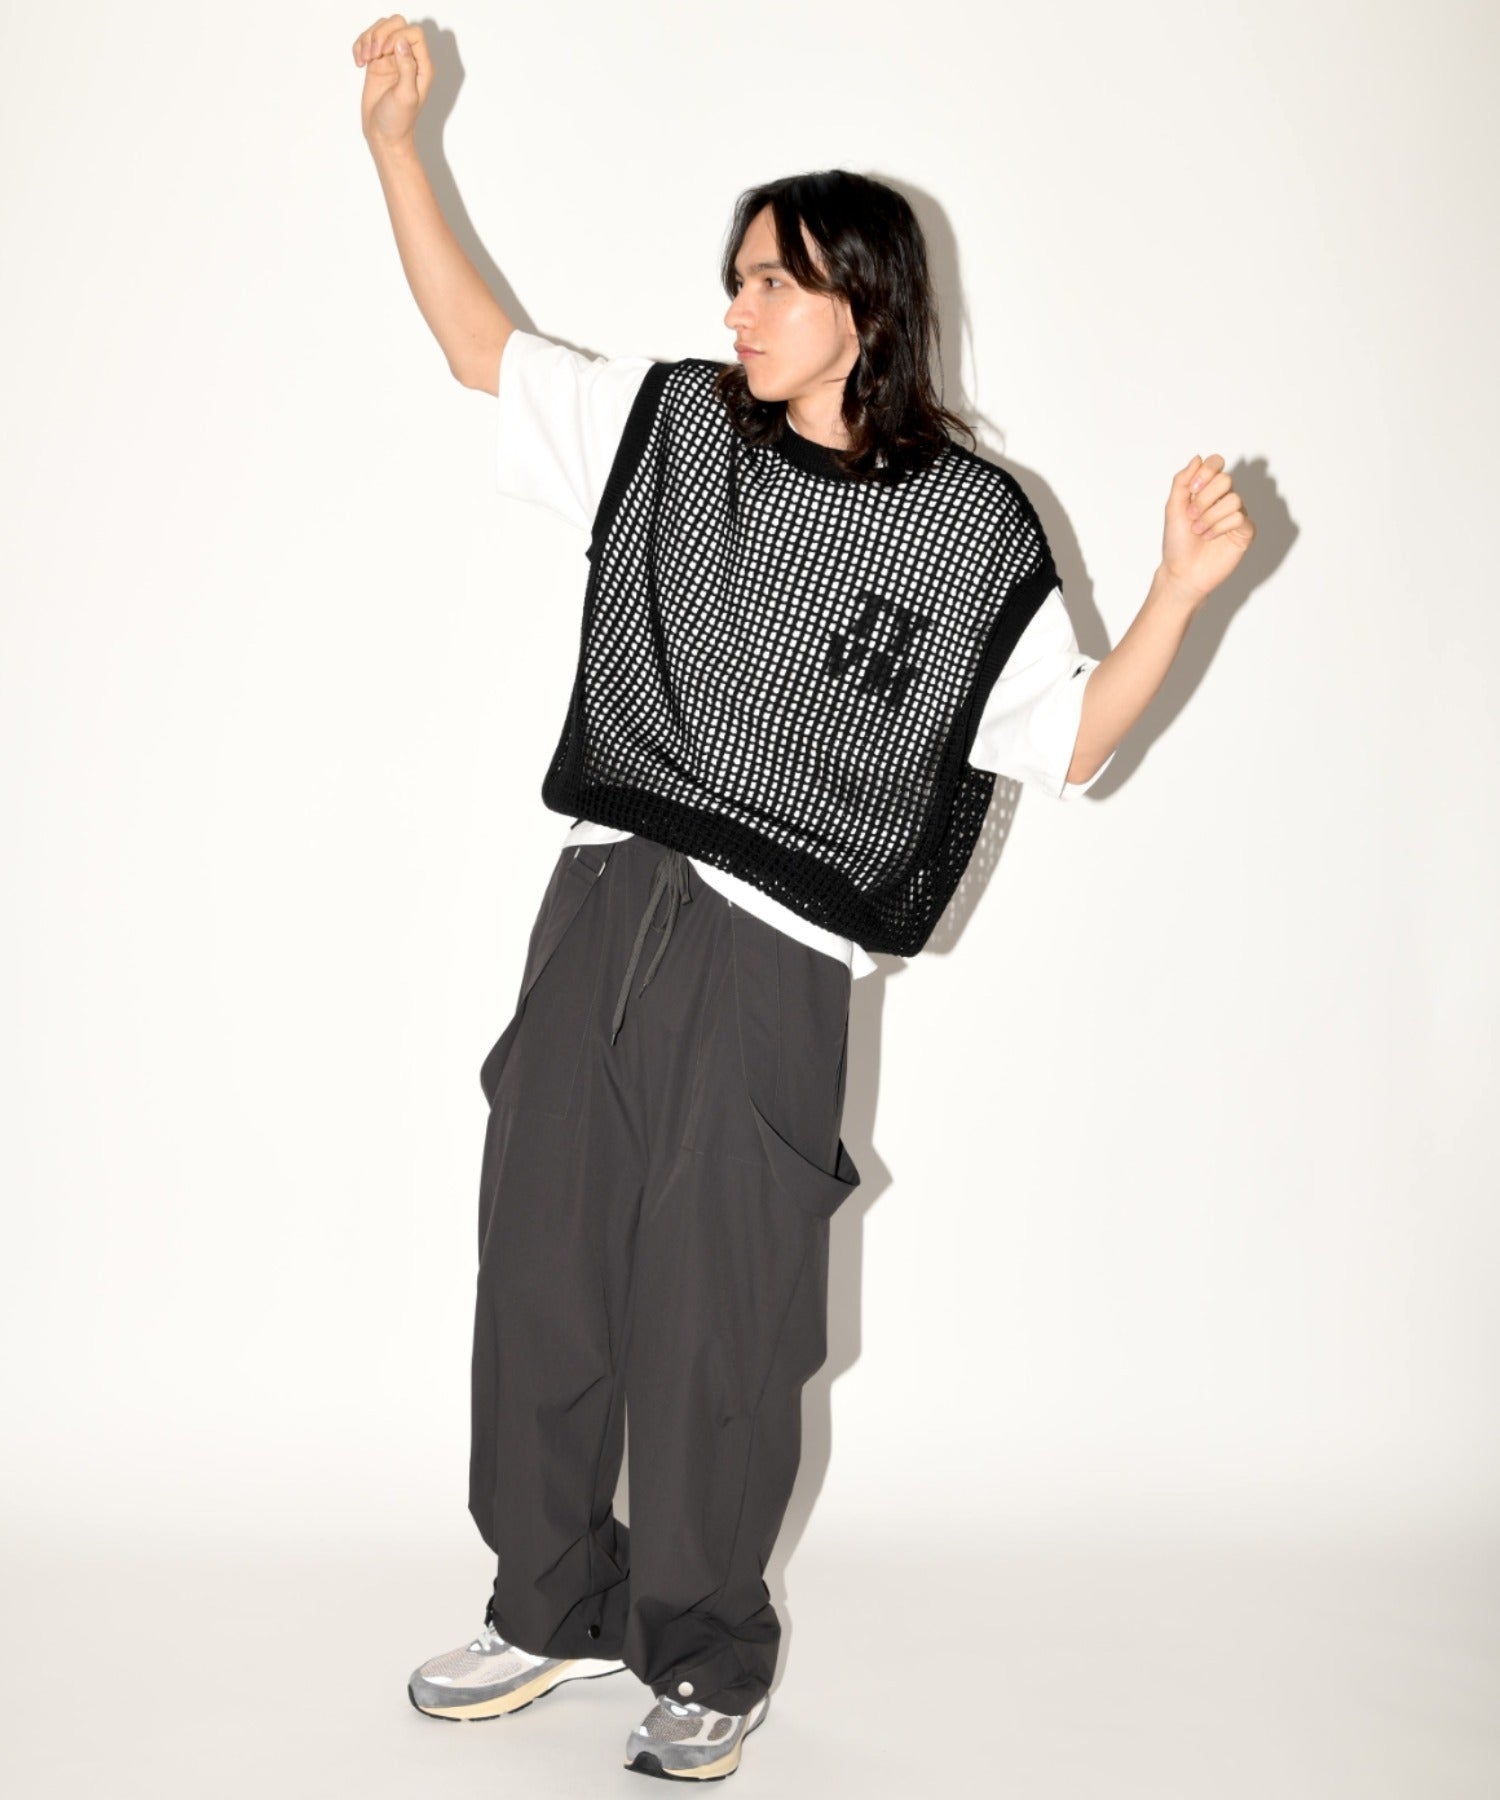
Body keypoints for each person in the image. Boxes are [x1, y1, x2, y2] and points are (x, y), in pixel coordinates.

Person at [354, 15, 1255, 1783]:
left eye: (774, 280)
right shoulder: (672, 427)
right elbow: (477, 347)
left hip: (773, 964)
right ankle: (546, 1607)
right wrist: (398, 147)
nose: (740, 308)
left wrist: (1177, 594)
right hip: (600, 909)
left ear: (865, 299)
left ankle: (706, 1654)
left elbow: (1069, 740)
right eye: (737, 277)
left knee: (719, 1318)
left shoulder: (973, 528)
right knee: (538, 1273)